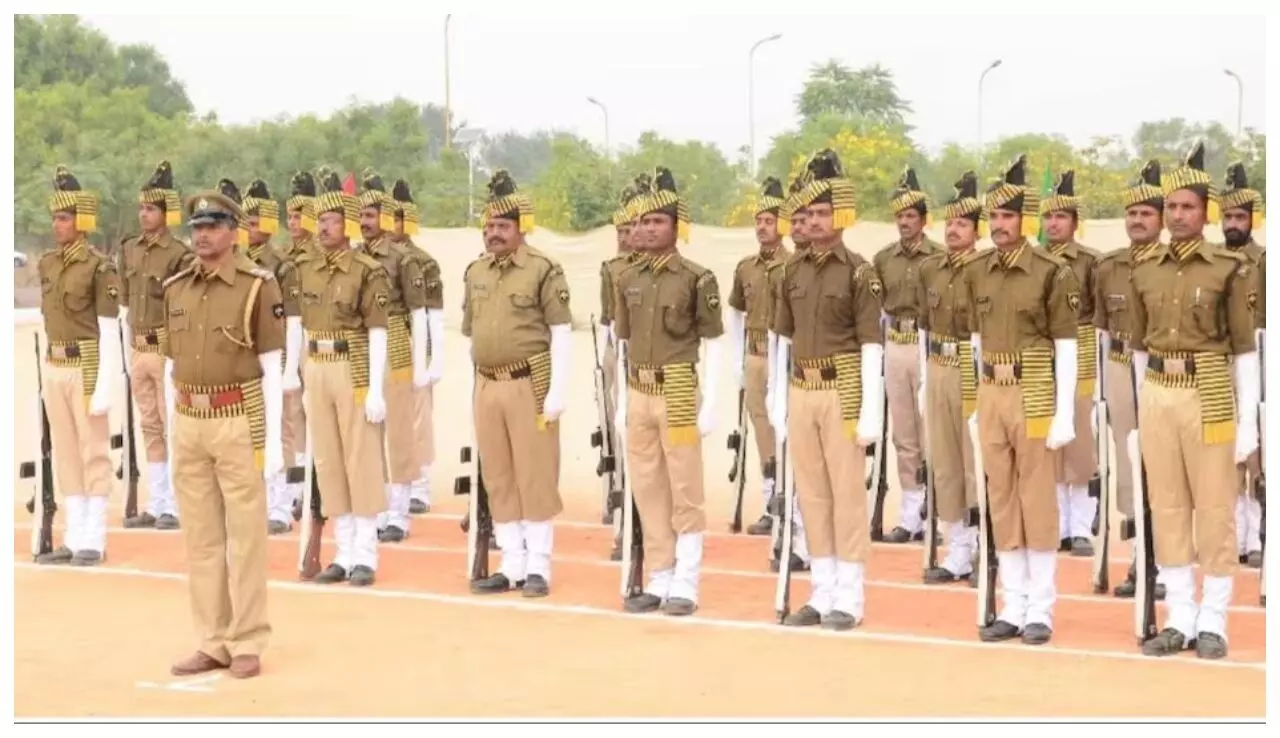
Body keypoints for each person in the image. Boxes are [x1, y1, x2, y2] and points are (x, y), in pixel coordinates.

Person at [1132, 141, 1260, 659]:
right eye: (1171, 207)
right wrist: (1141, 408)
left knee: (1214, 508)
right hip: (1158, 390)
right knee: (1166, 506)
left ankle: (1214, 619)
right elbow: (1139, 347)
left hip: (1209, 390)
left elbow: (1245, 350)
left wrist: (1248, 423)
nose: (1178, 215)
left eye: (1188, 206)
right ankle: (1179, 617)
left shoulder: (1229, 268)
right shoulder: (1146, 268)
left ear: (1206, 213)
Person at [162, 186, 284, 681]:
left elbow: (272, 366)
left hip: (236, 417)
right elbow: (171, 364)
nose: (203, 235)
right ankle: (212, 640)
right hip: (189, 418)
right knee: (202, 539)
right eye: (197, 227)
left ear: (233, 233)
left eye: (212, 227)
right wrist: (172, 423)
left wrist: (272, 442)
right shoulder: (176, 287)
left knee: (246, 538)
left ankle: (248, 639)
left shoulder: (257, 286)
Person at [965, 154, 1081, 645]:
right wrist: (974, 403)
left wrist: (1064, 412)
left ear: (1026, 220)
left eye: (1008, 216)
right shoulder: (977, 270)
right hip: (991, 388)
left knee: (1037, 497)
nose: (999, 225)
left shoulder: (1051, 271)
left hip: (1034, 389)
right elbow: (974, 339)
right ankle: (1013, 604)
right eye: (993, 216)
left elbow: (1068, 345)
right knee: (1001, 497)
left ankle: (1041, 608)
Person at [768, 150, 883, 630]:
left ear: (842, 215)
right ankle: (821, 590)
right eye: (808, 213)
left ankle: (849, 597)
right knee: (811, 494)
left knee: (846, 494)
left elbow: (871, 344)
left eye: (822, 212)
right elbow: (783, 339)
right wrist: (777, 396)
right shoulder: (790, 271)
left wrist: (871, 411)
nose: (814, 221)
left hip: (843, 388)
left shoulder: (859, 271)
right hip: (801, 387)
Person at [614, 166, 724, 616]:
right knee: (647, 486)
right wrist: (622, 402)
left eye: (657, 221)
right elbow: (624, 344)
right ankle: (660, 574)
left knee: (684, 487)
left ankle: (687, 579)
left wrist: (711, 401)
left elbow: (713, 342)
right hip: (638, 387)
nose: (647, 229)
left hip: (678, 387)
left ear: (677, 227)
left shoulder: (697, 278)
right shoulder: (627, 278)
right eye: (642, 222)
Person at [462, 170, 573, 597]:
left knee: (534, 474)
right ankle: (511, 563)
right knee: (499, 476)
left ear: (520, 228)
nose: (493, 233)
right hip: (487, 384)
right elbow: (472, 333)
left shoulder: (543, 269)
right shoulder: (476, 271)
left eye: (502, 226)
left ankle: (538, 564)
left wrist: (557, 391)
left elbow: (560, 331)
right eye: (489, 226)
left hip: (529, 383)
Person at [296, 169, 391, 587]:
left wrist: (375, 388)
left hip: (352, 365)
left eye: (331, 220)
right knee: (329, 461)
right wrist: (300, 376)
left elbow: (377, 330)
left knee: (359, 459)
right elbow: (301, 326)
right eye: (320, 220)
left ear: (348, 224)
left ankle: (365, 553)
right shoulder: (307, 268)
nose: (323, 228)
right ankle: (343, 551)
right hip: (316, 364)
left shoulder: (367, 270)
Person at [35, 166, 121, 566]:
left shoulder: (99, 267)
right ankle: (73, 534)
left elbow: (109, 330)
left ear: (82, 221)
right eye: (54, 217)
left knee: (93, 451)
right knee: (66, 451)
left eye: (64, 218)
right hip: (54, 362)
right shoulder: (47, 264)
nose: (57, 225)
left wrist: (104, 385)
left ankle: (95, 536)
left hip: (86, 364)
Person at [1093, 159, 1168, 600]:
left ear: (1162, 219)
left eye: (1146, 213)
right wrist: (1099, 391)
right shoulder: (1107, 267)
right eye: (1132, 213)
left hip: (1162, 372)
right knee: (1127, 462)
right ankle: (1140, 554)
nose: (1137, 220)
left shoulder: (1171, 263)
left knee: (1164, 465)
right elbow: (1101, 332)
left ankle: (1164, 559)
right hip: (1121, 368)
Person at [916, 171, 985, 584]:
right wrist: (925, 376)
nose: (953, 230)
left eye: (962, 224)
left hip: (972, 365)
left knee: (974, 460)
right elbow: (924, 325)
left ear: (977, 231)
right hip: (938, 365)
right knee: (943, 461)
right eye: (950, 222)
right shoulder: (931, 269)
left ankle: (981, 544)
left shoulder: (986, 268)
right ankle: (956, 546)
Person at [119, 160, 193, 531]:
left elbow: (183, 307)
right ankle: (157, 500)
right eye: (141, 208)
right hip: (138, 347)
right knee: (149, 425)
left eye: (150, 208)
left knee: (171, 425)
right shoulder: (129, 250)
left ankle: (176, 504)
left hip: (166, 349)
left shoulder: (178, 254)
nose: (143, 214)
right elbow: (125, 303)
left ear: (166, 213)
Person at [356, 170, 429, 544]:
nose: (365, 222)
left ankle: (399, 512)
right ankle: (377, 507)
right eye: (361, 215)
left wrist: (423, 365)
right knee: (368, 434)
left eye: (371, 215)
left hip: (396, 346)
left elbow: (419, 312)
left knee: (398, 432)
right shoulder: (353, 257)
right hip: (361, 347)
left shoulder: (402, 258)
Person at [873, 166, 942, 543]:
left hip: (928, 345)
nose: (904, 222)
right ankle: (910, 513)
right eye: (899, 216)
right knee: (904, 434)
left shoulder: (939, 257)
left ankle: (937, 510)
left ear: (923, 220)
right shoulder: (884, 258)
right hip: (896, 345)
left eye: (910, 216)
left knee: (932, 431)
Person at [1039, 171, 1103, 556]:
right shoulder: (1034, 260)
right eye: (1048, 217)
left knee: (1078, 442)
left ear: (1075, 222)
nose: (1053, 223)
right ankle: (1058, 524)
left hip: (1079, 351)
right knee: (1048, 441)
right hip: (1041, 354)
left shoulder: (1091, 262)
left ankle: (1080, 525)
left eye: (1061, 217)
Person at [728, 176, 793, 537]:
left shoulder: (793, 265)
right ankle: (771, 502)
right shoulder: (745, 267)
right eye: (759, 221)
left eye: (769, 221)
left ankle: (789, 499)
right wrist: (737, 362)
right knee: (762, 431)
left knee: (786, 430)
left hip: (783, 358)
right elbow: (736, 314)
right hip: (754, 357)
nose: (762, 227)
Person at [238, 178, 300, 534]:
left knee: (281, 428)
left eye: (254, 220)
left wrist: (289, 369)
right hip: (244, 356)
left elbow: (292, 319)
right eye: (244, 221)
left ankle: (281, 502)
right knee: (250, 429)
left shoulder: (282, 264)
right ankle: (259, 499)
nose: (248, 227)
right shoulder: (237, 261)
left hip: (274, 353)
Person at [389, 178, 445, 517]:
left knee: (418, 419)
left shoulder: (424, 262)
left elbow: (434, 313)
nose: (391, 224)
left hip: (415, 348)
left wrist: (434, 361)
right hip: (387, 350)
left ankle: (421, 484)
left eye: (397, 218)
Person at [1220, 162, 1266, 569]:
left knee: (1257, 455)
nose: (1232, 224)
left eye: (1239, 217)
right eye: (1227, 217)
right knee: (1226, 454)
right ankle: (1233, 535)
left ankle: (1257, 536)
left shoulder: (1265, 262)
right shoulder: (1213, 260)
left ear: (1253, 219)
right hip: (1220, 365)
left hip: (1258, 365)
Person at [599, 181, 645, 560]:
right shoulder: (612, 270)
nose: (625, 237)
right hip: (620, 355)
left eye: (631, 229)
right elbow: (609, 321)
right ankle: (621, 515)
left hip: (652, 362)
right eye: (621, 231)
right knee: (619, 436)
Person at [282, 171, 318, 520]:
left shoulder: (319, 254)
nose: (293, 223)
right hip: (290, 337)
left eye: (298, 216)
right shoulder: (283, 255)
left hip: (316, 337)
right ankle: (297, 484)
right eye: (289, 216)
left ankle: (316, 482)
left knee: (315, 412)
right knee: (292, 414)